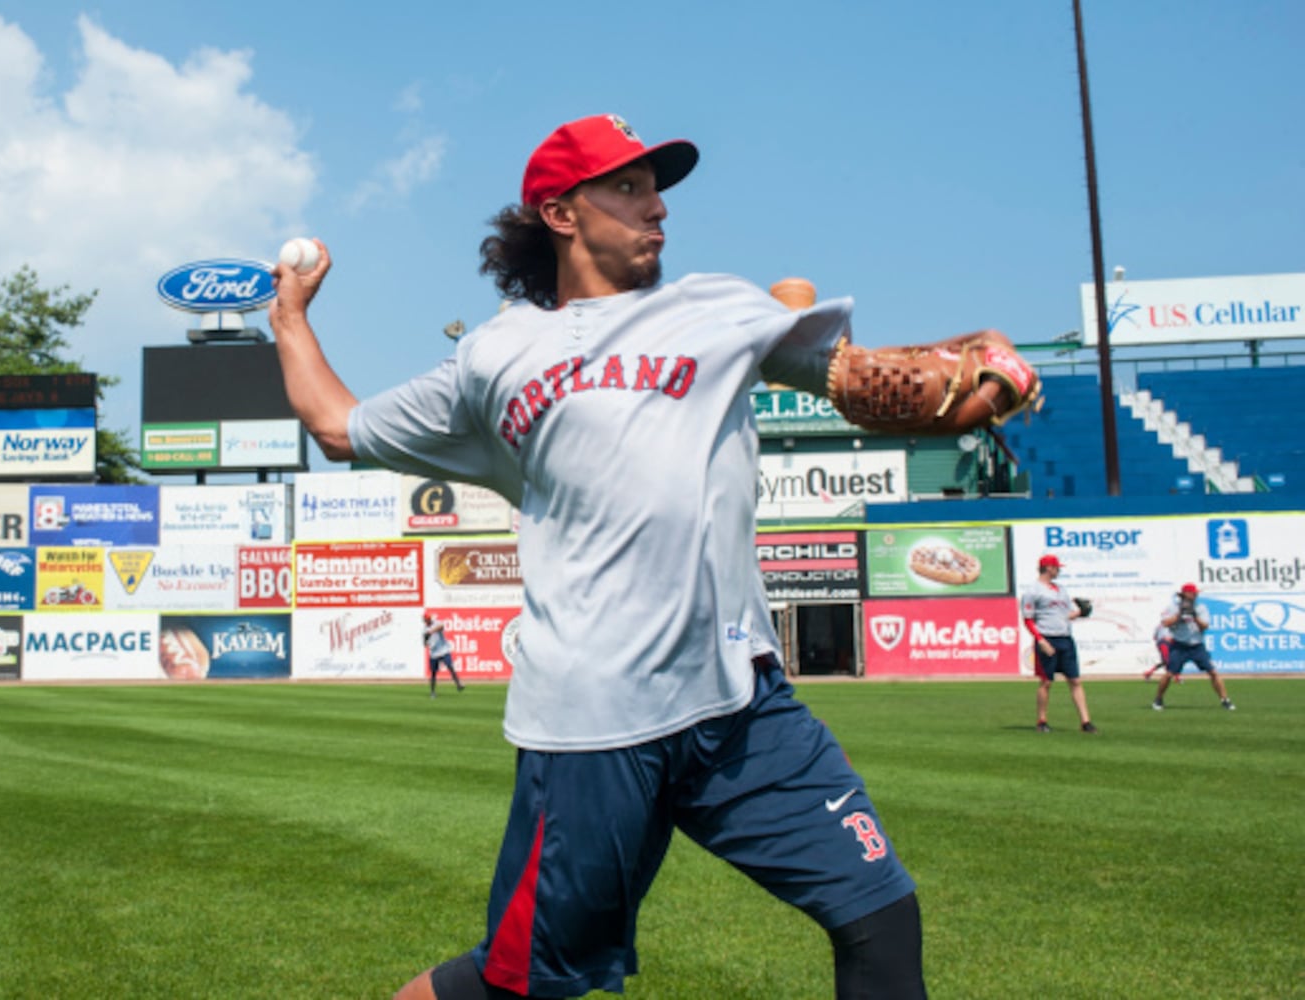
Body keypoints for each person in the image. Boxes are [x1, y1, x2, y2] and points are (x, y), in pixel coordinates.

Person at [266, 111, 1023, 999]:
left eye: (655, 188)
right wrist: (289, 315)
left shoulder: (719, 308)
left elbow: (867, 383)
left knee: (880, 915)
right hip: (592, 725)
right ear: (561, 214)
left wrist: (972, 382)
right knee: (520, 984)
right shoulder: (493, 356)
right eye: (626, 188)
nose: (655, 207)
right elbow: (338, 427)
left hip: (739, 706)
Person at [1021, 554, 1097, 733]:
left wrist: (1080, 613)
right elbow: (1028, 619)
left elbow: (1065, 615)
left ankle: (1085, 722)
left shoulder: (1061, 589)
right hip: (1047, 637)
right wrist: (1040, 640)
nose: (1059, 571)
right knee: (1046, 682)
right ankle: (1042, 720)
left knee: (1075, 680)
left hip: (1065, 638)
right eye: (1057, 568)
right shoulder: (1033, 591)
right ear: (1048, 568)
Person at [1152, 583, 1235, 711]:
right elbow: (1165, 623)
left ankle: (1225, 700)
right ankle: (1158, 699)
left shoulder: (1200, 608)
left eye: (1196, 593)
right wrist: (1179, 615)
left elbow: (1205, 626)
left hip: (1197, 646)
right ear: (1185, 594)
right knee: (1169, 674)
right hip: (1179, 645)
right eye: (1193, 593)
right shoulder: (1173, 607)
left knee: (1213, 672)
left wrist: (1194, 616)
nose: (1195, 595)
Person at [424, 612, 465, 697]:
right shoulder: (424, 630)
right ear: (425, 620)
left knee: (450, 666)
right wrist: (426, 639)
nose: (429, 620)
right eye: (427, 619)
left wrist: (431, 632)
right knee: (433, 673)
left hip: (443, 650)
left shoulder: (436, 623)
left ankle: (458, 684)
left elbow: (441, 626)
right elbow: (425, 644)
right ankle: (432, 692)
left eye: (429, 618)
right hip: (434, 653)